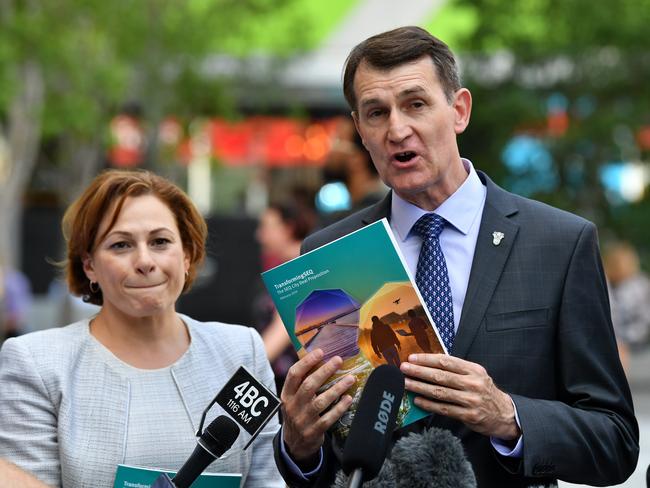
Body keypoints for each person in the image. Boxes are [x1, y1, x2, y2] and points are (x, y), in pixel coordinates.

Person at [273, 26, 639, 487]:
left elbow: (616, 442)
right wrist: (299, 444)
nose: (397, 129)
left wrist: (507, 416)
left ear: (459, 110)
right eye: (376, 113)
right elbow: (324, 457)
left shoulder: (559, 243)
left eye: (416, 104)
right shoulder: (328, 254)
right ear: (360, 130)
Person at [0, 170, 283, 487]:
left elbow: (268, 478)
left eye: (160, 241)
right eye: (121, 245)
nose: (145, 261)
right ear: (89, 265)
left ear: (187, 255)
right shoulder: (37, 363)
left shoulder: (241, 350)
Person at [254, 201, 316, 389]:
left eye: (266, 227)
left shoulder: (298, 271)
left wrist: (242, 371)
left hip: (291, 385)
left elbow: (278, 336)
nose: (259, 235)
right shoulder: (294, 268)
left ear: (288, 228)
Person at [603, 241, 650, 372]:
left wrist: (624, 340)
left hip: (635, 339)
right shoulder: (603, 283)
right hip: (610, 338)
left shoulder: (641, 286)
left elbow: (644, 321)